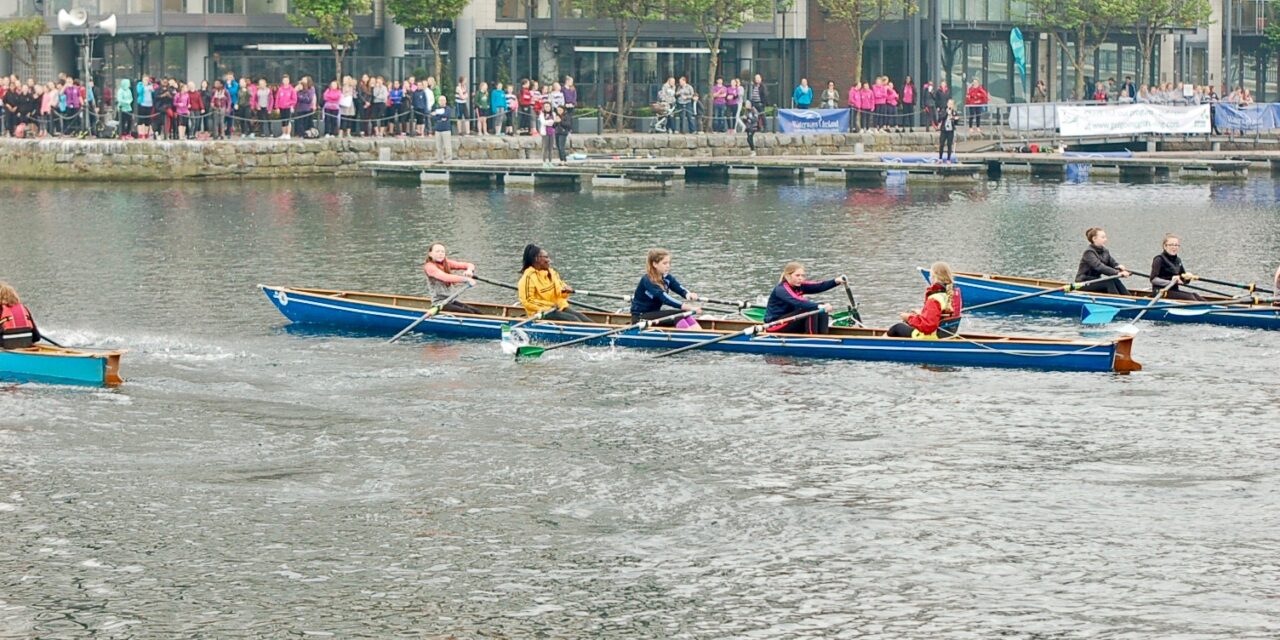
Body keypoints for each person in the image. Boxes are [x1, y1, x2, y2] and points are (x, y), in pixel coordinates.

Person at [763, 263, 846, 334]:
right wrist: (818, 307)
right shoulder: (781, 289)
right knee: (810, 308)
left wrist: (836, 281)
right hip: (775, 325)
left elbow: (819, 286)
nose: (800, 278)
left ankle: (823, 335)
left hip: (790, 321)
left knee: (822, 306)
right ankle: (812, 338)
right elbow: (797, 301)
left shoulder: (800, 285)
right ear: (787, 276)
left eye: (802, 275)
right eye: (797, 275)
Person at [887, 262, 963, 339]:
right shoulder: (950, 294)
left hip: (928, 336)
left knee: (896, 328)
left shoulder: (934, 299)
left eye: (930, 275)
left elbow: (928, 327)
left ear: (934, 277)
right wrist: (921, 314)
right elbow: (939, 316)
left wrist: (908, 318)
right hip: (942, 334)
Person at [517, 244, 591, 322]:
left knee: (583, 318)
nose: (549, 260)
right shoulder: (528, 278)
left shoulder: (552, 273)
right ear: (536, 259)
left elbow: (560, 287)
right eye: (546, 257)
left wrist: (565, 290)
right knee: (573, 320)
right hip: (540, 313)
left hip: (557, 307)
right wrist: (549, 306)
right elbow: (528, 301)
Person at [630, 249, 701, 323]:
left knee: (685, 315)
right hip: (640, 317)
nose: (668, 266)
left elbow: (679, 288)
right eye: (664, 263)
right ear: (655, 264)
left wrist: (688, 294)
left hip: (653, 314)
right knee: (682, 315)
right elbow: (665, 298)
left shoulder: (667, 278)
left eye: (669, 263)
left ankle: (696, 332)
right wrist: (689, 307)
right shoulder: (648, 280)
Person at [422, 243, 480, 314]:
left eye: (442, 252)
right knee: (468, 312)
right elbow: (445, 277)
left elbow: (469, 265)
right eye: (437, 251)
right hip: (439, 303)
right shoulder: (429, 267)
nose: (440, 253)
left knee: (476, 311)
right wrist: (466, 279)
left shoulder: (446, 263)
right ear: (430, 254)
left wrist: (469, 270)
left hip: (450, 301)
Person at [1075, 227, 1131, 295]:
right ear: (1094, 239)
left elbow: (1112, 262)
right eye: (1103, 237)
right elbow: (1099, 267)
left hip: (1095, 281)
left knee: (1115, 280)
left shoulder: (1104, 251)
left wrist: (1119, 266)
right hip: (1083, 283)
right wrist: (1117, 273)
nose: (1106, 239)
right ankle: (1117, 300)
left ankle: (1130, 298)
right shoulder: (1089, 253)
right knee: (1109, 282)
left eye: (1105, 237)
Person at [1149, 234, 1204, 301]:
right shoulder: (1159, 259)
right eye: (1171, 245)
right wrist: (1171, 281)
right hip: (1161, 292)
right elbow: (1153, 279)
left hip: (1173, 290)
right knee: (1191, 298)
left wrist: (1187, 278)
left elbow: (1182, 279)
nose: (1174, 247)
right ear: (1165, 246)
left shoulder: (1178, 260)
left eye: (1176, 245)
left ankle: (1216, 309)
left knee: (1195, 295)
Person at [0, 282, 40, 349]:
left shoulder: (1, 309)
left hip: (5, 344)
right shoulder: (24, 309)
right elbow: (37, 337)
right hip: (26, 343)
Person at [431, 95, 452, 161]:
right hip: (438, 129)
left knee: (447, 146)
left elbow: (447, 115)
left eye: (443, 100)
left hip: (446, 129)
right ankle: (439, 159)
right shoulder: (437, 108)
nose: (442, 102)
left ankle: (448, 159)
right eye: (440, 100)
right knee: (438, 146)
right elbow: (433, 117)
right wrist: (440, 116)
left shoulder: (448, 108)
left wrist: (438, 114)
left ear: (445, 101)